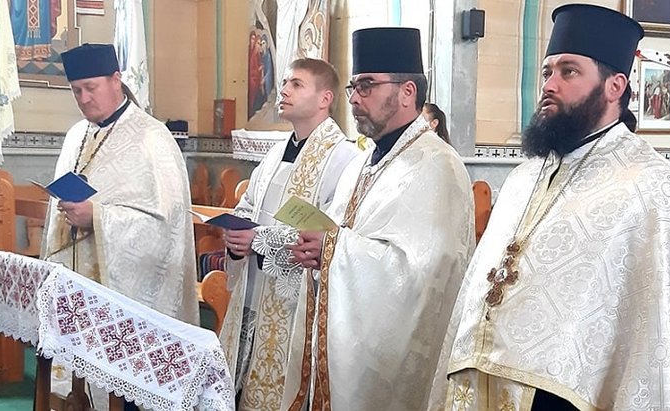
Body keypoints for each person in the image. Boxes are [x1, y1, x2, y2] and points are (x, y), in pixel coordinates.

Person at [430, 5, 670, 410]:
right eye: (547, 72)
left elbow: (662, 334)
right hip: (482, 385)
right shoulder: (524, 176)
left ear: (615, 86)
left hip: (568, 397)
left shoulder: (651, 185)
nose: (549, 84)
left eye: (569, 71)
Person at [283, 28, 475, 410]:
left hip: (391, 368)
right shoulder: (362, 163)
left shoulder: (438, 166)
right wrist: (320, 251)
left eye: (367, 85)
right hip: (346, 344)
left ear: (408, 92)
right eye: (354, 85)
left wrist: (335, 249)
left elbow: (427, 275)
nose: (353, 97)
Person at [219, 57, 359, 410]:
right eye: (284, 83)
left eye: (296, 84)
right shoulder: (275, 152)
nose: (284, 91)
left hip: (296, 305)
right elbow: (248, 206)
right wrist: (237, 238)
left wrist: (260, 241)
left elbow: (329, 232)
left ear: (325, 98)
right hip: (255, 292)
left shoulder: (344, 159)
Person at [41, 44, 199, 324]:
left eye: (91, 87)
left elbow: (167, 228)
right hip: (74, 281)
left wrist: (97, 217)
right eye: (76, 90)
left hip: (126, 299)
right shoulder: (75, 136)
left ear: (116, 80)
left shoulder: (153, 138)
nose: (83, 98)